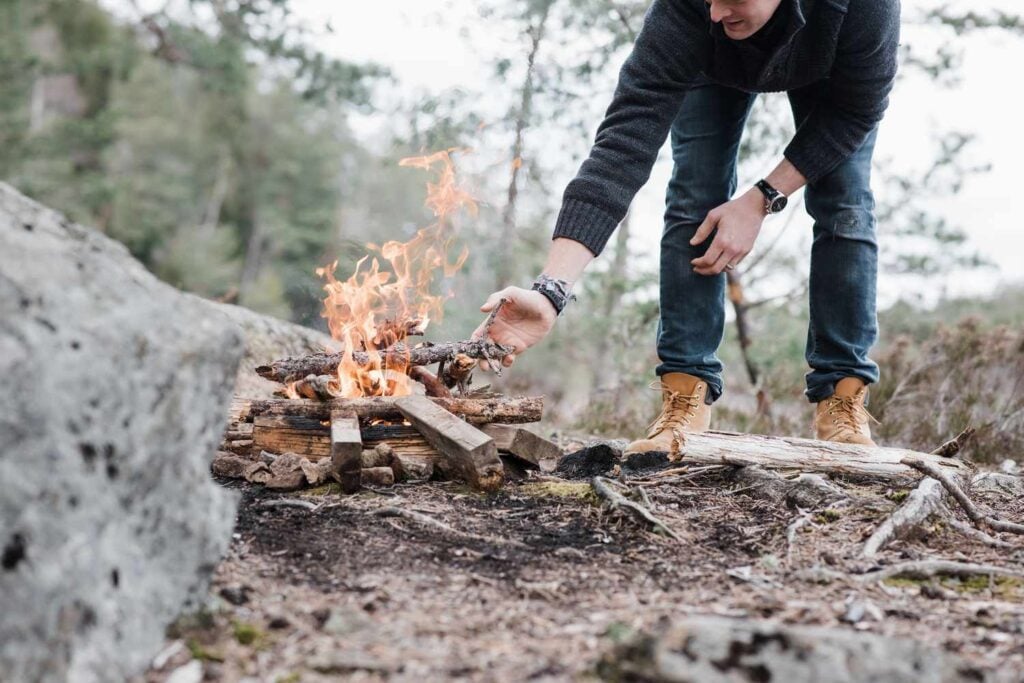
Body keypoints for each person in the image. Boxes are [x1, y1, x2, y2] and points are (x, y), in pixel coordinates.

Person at [473, 0, 900, 452]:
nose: (715, 12)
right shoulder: (690, 10)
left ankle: (842, 399)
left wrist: (761, 198)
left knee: (845, 203)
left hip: (834, 79)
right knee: (695, 196)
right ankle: (685, 395)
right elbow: (622, 148)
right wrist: (551, 290)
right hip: (713, 71)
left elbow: (855, 111)